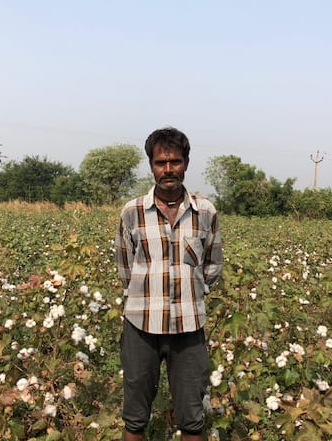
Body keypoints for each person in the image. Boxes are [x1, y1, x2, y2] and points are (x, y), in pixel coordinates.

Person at [116, 127, 223, 441]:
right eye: (161, 162)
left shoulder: (205, 212)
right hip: (140, 326)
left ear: (186, 163)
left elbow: (212, 267)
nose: (168, 169)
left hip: (188, 330)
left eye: (175, 161)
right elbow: (125, 268)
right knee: (135, 418)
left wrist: (191, 294)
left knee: (192, 418)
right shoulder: (132, 212)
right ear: (151, 165)